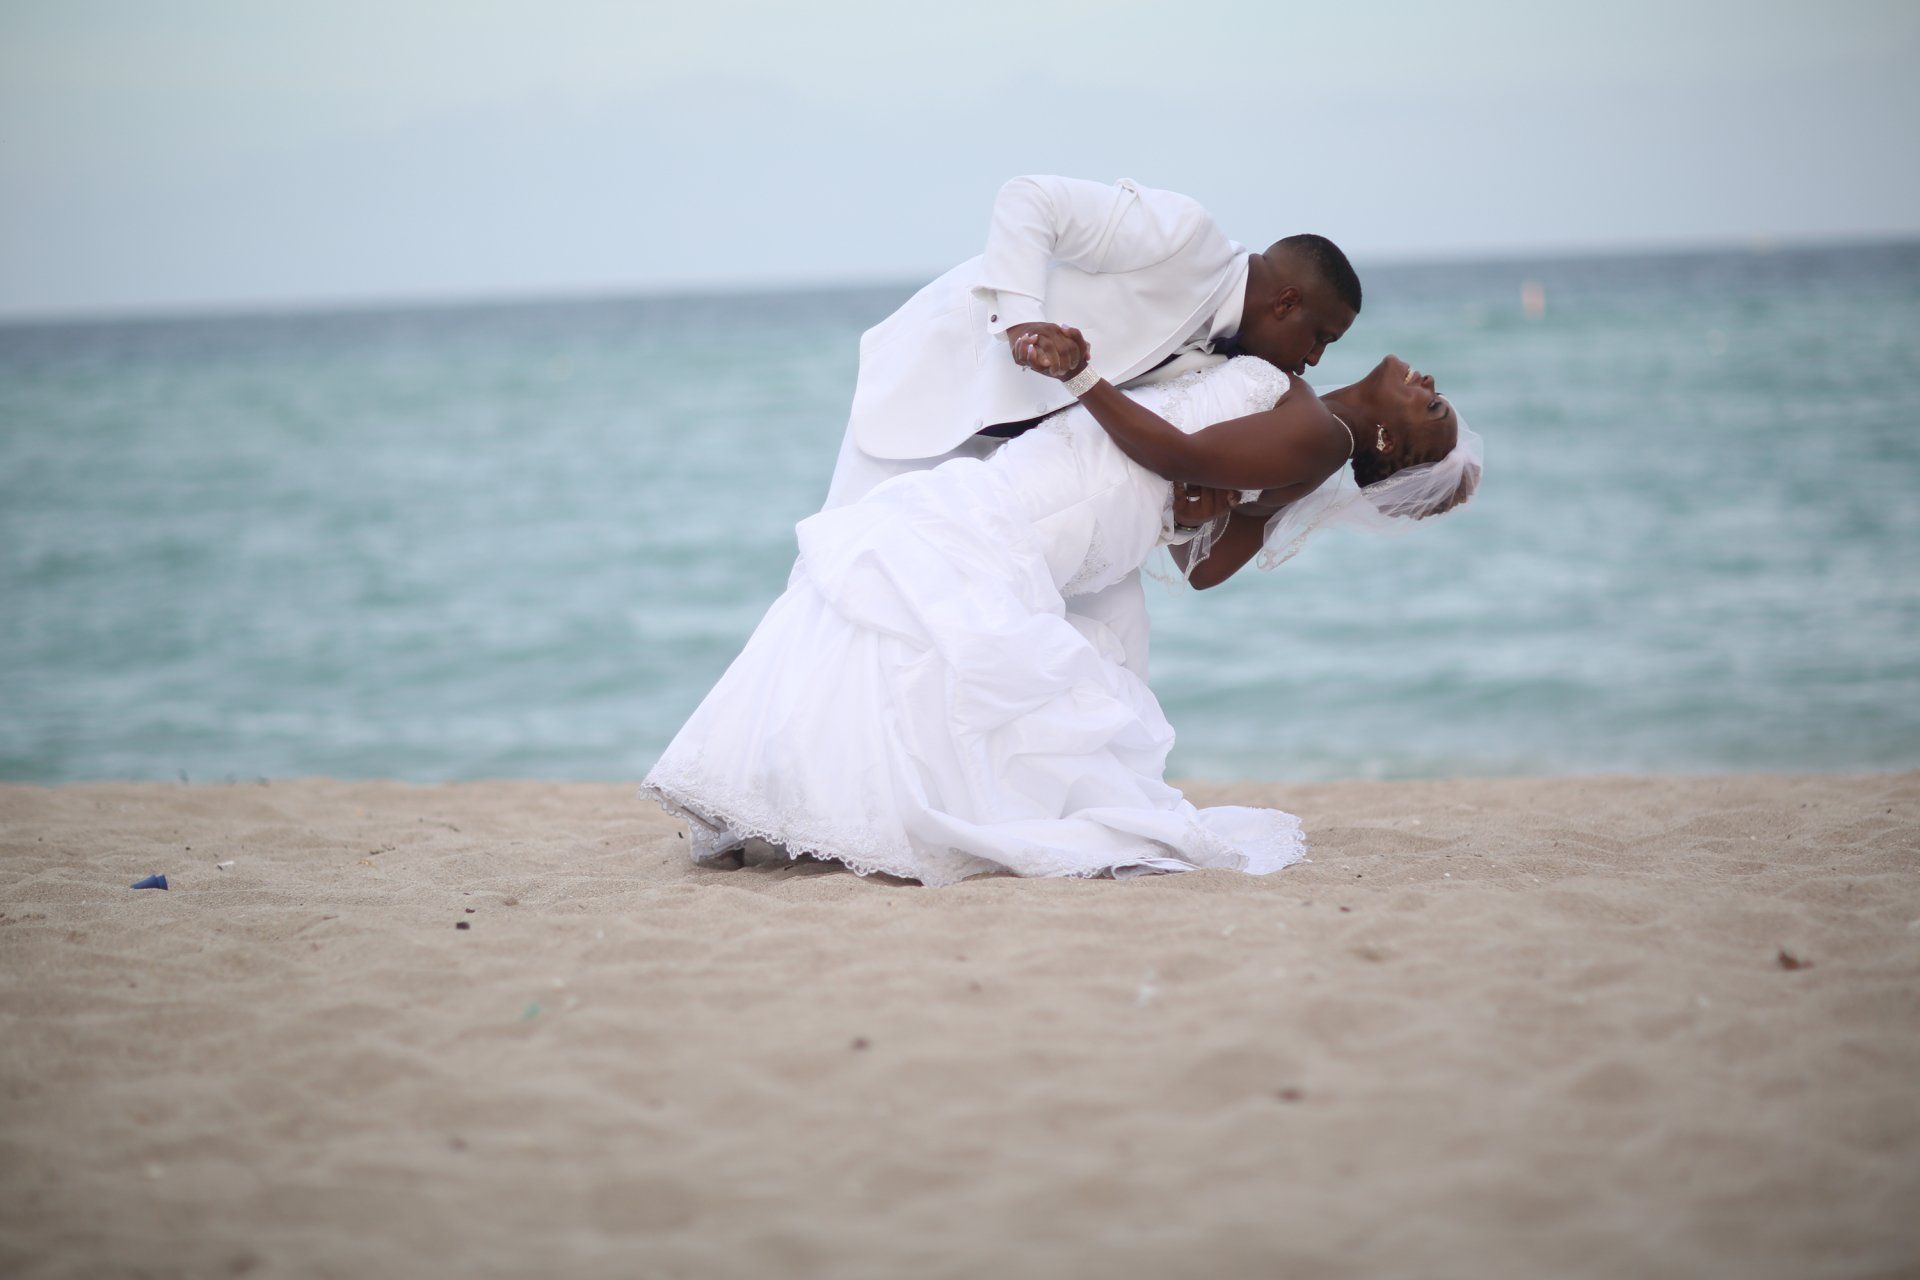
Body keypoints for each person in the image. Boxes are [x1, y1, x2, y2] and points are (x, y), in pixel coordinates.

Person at [638, 347, 1482, 888]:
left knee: (905, 600)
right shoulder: (1296, 407)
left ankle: (811, 807)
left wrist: (1088, 383)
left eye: (1432, 415)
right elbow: (1204, 550)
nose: (1434, 389)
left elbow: (1183, 461)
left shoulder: (1323, 439)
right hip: (1077, 506)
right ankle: (808, 809)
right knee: (912, 611)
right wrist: (1198, 509)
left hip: (1067, 501)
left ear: (1391, 454)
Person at [822, 174, 1364, 679]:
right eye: (1320, 337)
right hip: (934, 402)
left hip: (1025, 480)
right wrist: (1021, 321)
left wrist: (1188, 520)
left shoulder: (1237, 368)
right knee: (848, 591)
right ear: (1286, 302)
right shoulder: (1184, 236)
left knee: (1115, 645)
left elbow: (1146, 451)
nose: (1315, 359)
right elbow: (1029, 198)